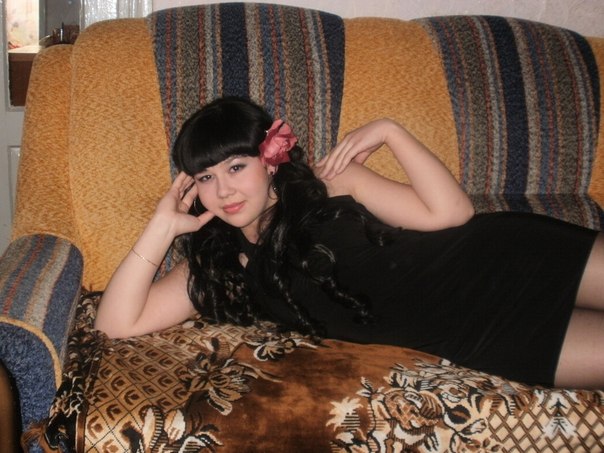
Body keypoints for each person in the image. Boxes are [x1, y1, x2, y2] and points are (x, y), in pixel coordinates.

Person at [95, 97, 604, 389]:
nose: (223, 190)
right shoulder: (221, 264)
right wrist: (162, 226)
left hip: (512, 258)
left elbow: (453, 214)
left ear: (270, 160)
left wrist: (390, 132)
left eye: (236, 166)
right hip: (483, 340)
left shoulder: (330, 182)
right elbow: (115, 324)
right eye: (206, 177)